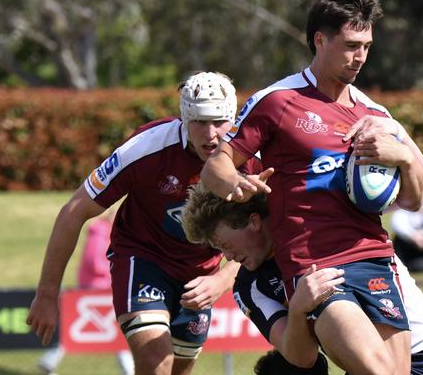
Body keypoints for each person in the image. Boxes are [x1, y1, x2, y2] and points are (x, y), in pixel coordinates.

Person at [201, 0, 423, 375]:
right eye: (350, 46)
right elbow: (215, 166)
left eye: (366, 48)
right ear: (319, 41)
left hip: (376, 258)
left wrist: (403, 155)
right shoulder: (278, 101)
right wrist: (235, 184)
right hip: (317, 266)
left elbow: (418, 196)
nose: (360, 57)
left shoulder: (375, 115)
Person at [27, 72, 264, 375]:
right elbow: (74, 211)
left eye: (218, 121)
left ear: (232, 119)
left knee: (178, 370)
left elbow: (268, 232)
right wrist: (47, 294)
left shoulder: (251, 157)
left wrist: (222, 279)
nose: (210, 134)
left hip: (200, 274)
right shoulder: (147, 148)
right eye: (199, 122)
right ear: (184, 118)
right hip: (143, 260)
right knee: (156, 363)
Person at [181, 187, 423, 375]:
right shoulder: (250, 286)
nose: (226, 256)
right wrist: (298, 308)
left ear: (254, 221)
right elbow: (301, 359)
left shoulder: (318, 227)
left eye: (223, 243)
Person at [38, 208, 134, 375]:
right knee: (87, 329)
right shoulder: (100, 232)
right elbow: (95, 261)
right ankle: (49, 361)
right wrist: (116, 270)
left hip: (104, 290)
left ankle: (128, 369)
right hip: (95, 291)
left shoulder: (107, 233)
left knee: (109, 330)